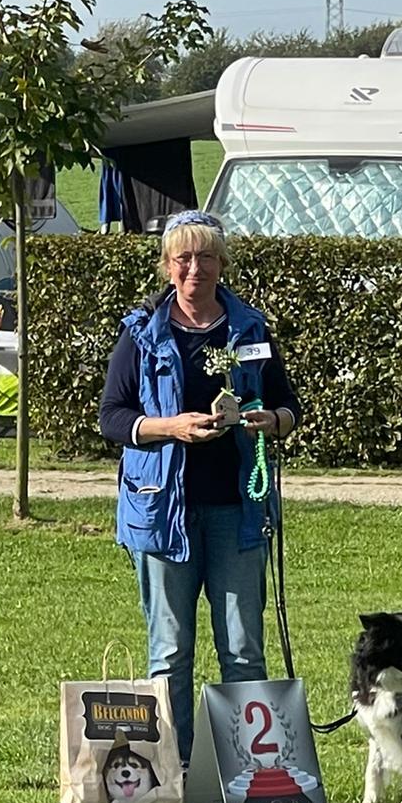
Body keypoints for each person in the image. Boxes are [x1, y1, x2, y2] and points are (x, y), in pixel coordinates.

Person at [98, 210, 301, 763]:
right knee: (169, 654)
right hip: (164, 516)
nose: (195, 268)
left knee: (242, 651)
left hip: (238, 512)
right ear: (167, 268)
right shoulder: (141, 333)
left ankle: (252, 777)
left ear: (221, 264)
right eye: (183, 258)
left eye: (206, 256)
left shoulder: (250, 330)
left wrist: (271, 420)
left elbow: (289, 406)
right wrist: (172, 428)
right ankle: (174, 773)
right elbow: (112, 418)